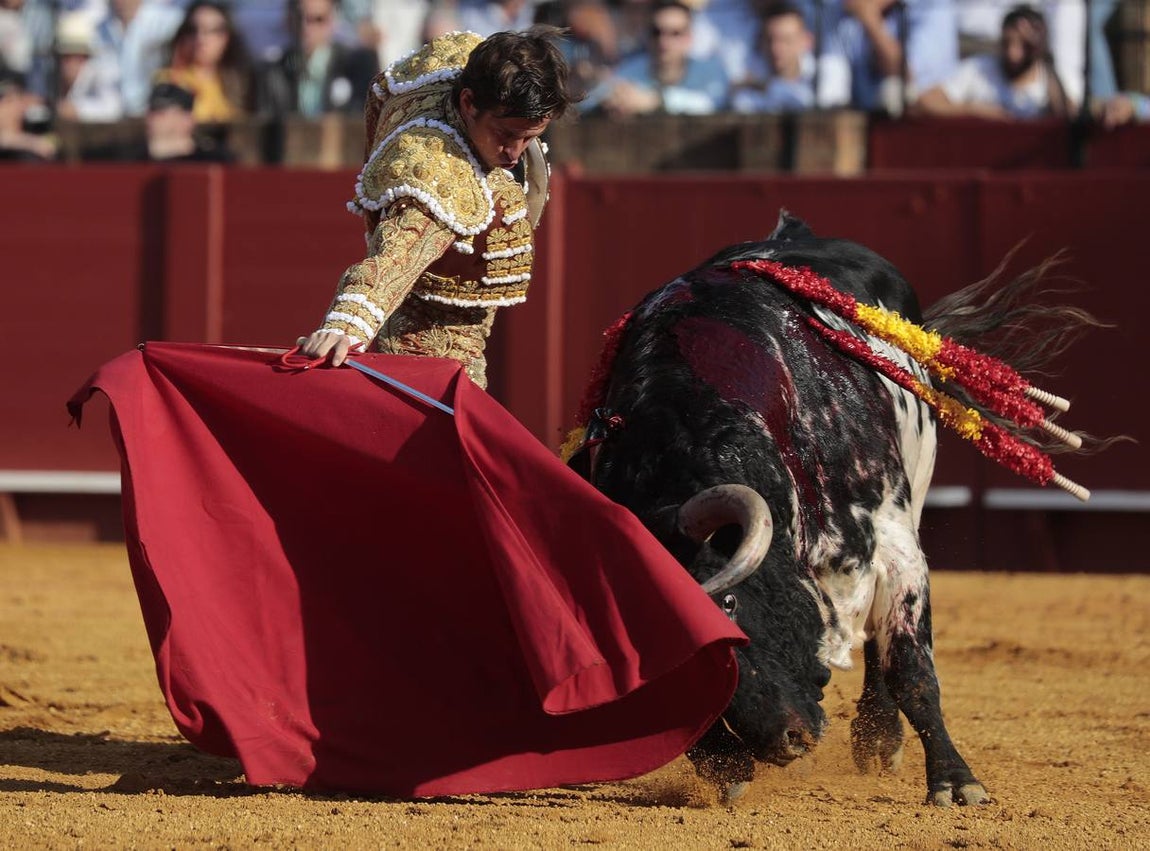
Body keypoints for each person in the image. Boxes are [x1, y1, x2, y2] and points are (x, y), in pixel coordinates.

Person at [296, 27, 574, 389]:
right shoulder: (439, 172)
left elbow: (384, 87)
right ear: (468, 103)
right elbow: (396, 257)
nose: (514, 153)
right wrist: (344, 326)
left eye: (530, 137)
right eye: (506, 135)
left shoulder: (458, 62)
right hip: (425, 353)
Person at [914, 4, 1070, 120]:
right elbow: (925, 101)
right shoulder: (979, 69)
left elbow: (1067, 115)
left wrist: (1045, 58)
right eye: (1007, 43)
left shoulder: (1049, 80)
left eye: (1024, 45)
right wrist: (974, 110)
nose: (1013, 54)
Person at [596, 0, 728, 116]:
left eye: (675, 33)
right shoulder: (628, 70)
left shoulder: (711, 70)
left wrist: (656, 101)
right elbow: (595, 99)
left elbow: (712, 104)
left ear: (689, 39)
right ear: (646, 36)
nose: (663, 42)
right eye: (656, 32)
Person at [827, 0, 958, 115]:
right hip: (864, 126)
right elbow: (831, 88)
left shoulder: (932, 6)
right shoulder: (842, 8)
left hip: (926, 128)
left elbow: (905, 75)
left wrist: (870, 19)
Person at [259, 0, 379, 118]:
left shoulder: (359, 64)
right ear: (288, 20)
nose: (306, 28)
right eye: (299, 18)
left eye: (318, 20)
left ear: (333, 21)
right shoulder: (274, 71)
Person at [730, 1, 850, 113]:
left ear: (807, 41)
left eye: (786, 40)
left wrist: (770, 87)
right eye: (770, 40)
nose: (776, 49)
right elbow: (743, 106)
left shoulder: (830, 70)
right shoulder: (749, 81)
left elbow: (826, 115)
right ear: (761, 43)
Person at [156, 0, 254, 123]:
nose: (200, 38)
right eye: (193, 30)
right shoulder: (169, 82)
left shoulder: (243, 82)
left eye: (212, 31)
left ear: (226, 37)